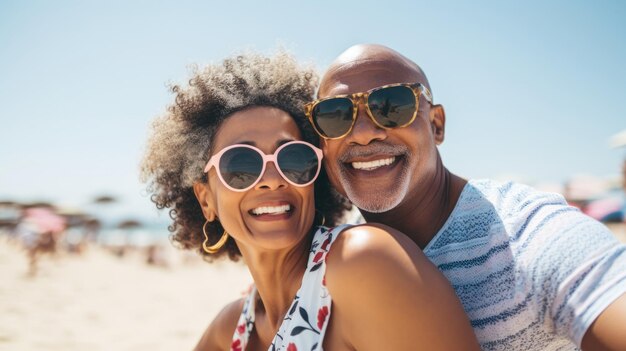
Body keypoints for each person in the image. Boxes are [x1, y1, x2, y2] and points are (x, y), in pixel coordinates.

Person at [140, 51, 480, 350]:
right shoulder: (231, 330)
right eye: (241, 165)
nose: (272, 180)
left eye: (294, 160)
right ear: (205, 200)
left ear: (314, 177)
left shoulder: (364, 263)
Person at [305, 43, 626, 350]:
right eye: (335, 115)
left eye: (392, 106)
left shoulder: (526, 236)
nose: (363, 133)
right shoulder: (325, 258)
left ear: (437, 124)